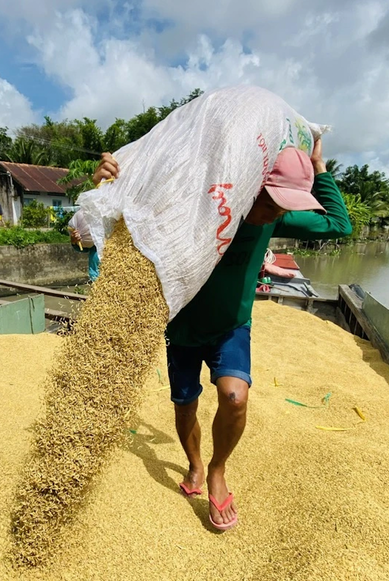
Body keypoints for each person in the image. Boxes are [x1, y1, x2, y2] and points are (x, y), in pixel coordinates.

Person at [91, 138, 351, 531]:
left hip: (231, 324)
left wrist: (320, 167)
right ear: (251, 183)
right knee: (185, 404)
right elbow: (112, 235)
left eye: (285, 205)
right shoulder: (200, 204)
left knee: (234, 396)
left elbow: (339, 224)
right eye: (270, 200)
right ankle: (194, 464)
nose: (276, 212)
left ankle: (217, 469)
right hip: (180, 326)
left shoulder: (278, 216)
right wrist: (106, 186)